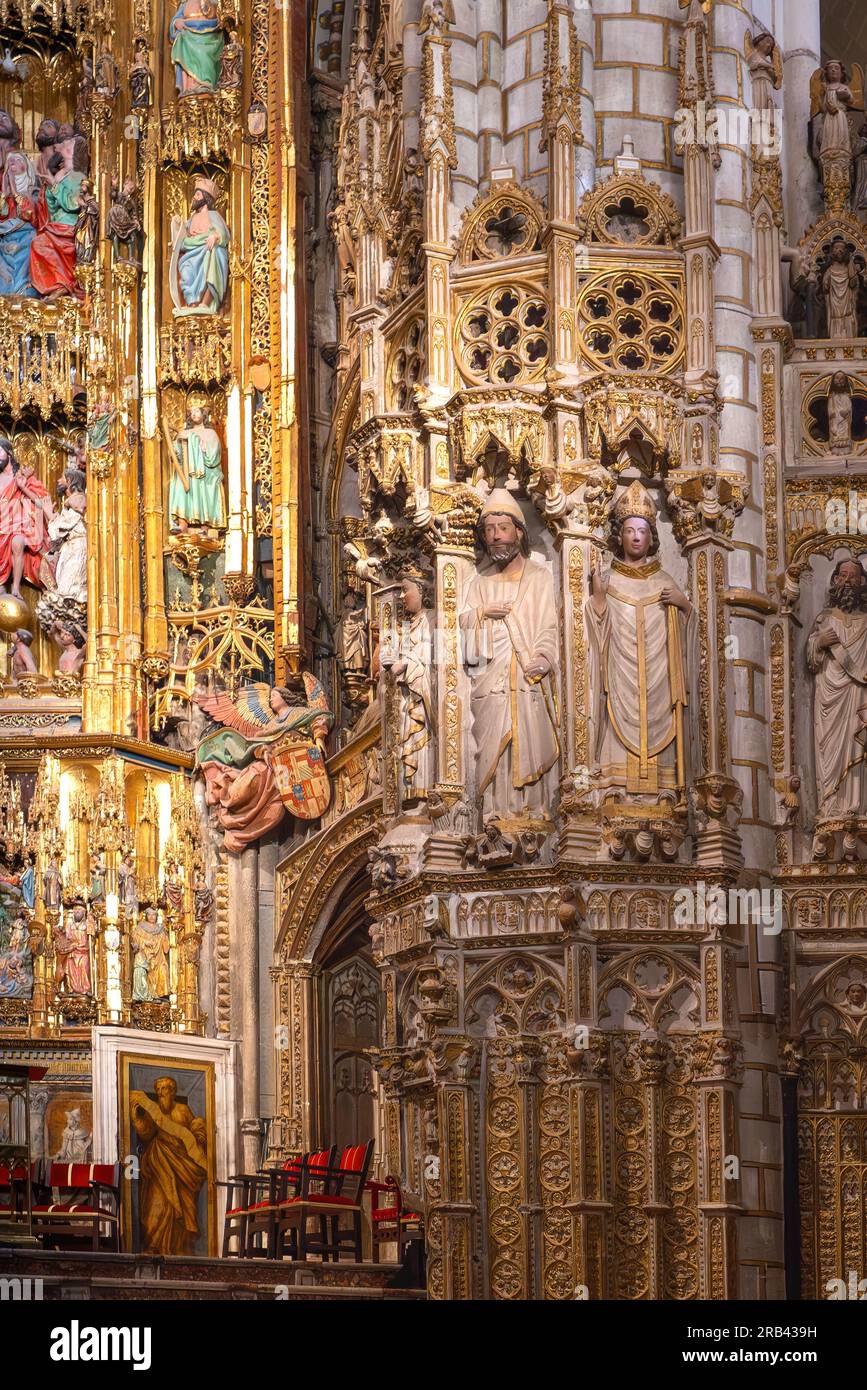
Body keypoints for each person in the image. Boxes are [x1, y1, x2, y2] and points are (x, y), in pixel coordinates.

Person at [587, 480, 691, 801]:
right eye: (630, 530)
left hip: (659, 681)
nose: (636, 536)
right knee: (614, 711)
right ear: (620, 536)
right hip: (620, 677)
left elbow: (690, 636)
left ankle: (665, 786)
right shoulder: (609, 579)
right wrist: (600, 600)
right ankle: (611, 781)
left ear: (651, 538)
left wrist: (683, 605)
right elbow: (595, 634)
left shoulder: (664, 580)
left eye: (643, 531)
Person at [460, 490, 560, 824]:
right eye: (489, 530)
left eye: (502, 528)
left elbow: (548, 624)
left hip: (526, 676)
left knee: (526, 738)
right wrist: (482, 614)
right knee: (493, 744)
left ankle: (531, 811)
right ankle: (494, 811)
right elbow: (466, 643)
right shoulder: (479, 584)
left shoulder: (539, 578)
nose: (495, 536)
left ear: (518, 531)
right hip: (490, 682)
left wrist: (544, 657)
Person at [807, 557, 867, 819]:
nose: (847, 581)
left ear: (862, 582)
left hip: (859, 695)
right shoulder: (824, 619)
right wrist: (819, 642)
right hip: (829, 696)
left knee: (858, 746)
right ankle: (830, 805)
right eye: (843, 576)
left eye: (853, 576)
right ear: (834, 580)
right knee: (829, 748)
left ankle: (857, 807)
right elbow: (811, 661)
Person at [130, 1076, 207, 1255]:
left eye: (166, 1088)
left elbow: (195, 1130)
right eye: (160, 1089)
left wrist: (199, 1134)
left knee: (182, 1206)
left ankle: (180, 1248)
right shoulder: (153, 1112)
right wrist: (138, 1121)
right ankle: (153, 1246)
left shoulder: (183, 1110)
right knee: (156, 1205)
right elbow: (147, 1134)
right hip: (159, 1164)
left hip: (184, 1168)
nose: (163, 1092)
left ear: (173, 1091)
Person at [29, 136, 88, 299]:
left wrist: (55, 186)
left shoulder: (78, 176)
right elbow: (53, 208)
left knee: (40, 245)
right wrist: (50, 188)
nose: (61, 145)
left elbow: (72, 203)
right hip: (57, 225)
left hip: (69, 227)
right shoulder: (62, 174)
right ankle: (57, 284)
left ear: (72, 151)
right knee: (38, 244)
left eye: (67, 143)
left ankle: (63, 283)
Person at [0, 439, 53, 598]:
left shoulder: (23, 476)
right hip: (2, 522)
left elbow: (40, 502)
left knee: (17, 542)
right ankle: (1, 584)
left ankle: (15, 587)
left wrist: (22, 487)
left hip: (20, 524)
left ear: (9, 453)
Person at [169, 176, 229, 316]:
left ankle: (206, 302)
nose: (194, 197)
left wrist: (215, 236)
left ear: (205, 197)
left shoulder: (213, 215)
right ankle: (192, 304)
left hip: (207, 250)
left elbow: (223, 234)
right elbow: (182, 236)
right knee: (187, 272)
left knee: (213, 257)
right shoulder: (192, 219)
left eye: (197, 194)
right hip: (190, 253)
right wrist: (176, 236)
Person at [167, 404, 226, 532]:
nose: (194, 414)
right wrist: (175, 447)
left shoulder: (210, 433)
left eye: (197, 411)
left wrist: (202, 447)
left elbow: (214, 455)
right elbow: (178, 455)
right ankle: (182, 523)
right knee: (179, 482)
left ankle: (205, 525)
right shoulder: (184, 432)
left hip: (205, 470)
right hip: (187, 471)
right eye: (191, 412)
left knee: (204, 481)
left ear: (203, 414)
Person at [0, 150, 37, 295]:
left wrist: (14, 190)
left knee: (31, 245)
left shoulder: (33, 191)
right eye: (10, 160)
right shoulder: (5, 195)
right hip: (5, 234)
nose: (12, 162)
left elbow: (28, 214)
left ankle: (22, 289)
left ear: (27, 167)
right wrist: (5, 192)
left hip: (26, 233)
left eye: (17, 160)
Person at [169, 0, 225, 96]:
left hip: (211, 36)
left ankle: (206, 84)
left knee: (203, 54)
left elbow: (221, 19)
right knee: (181, 40)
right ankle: (190, 86)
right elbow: (176, 20)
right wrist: (176, 22)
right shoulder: (185, 4)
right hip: (188, 35)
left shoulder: (214, 2)